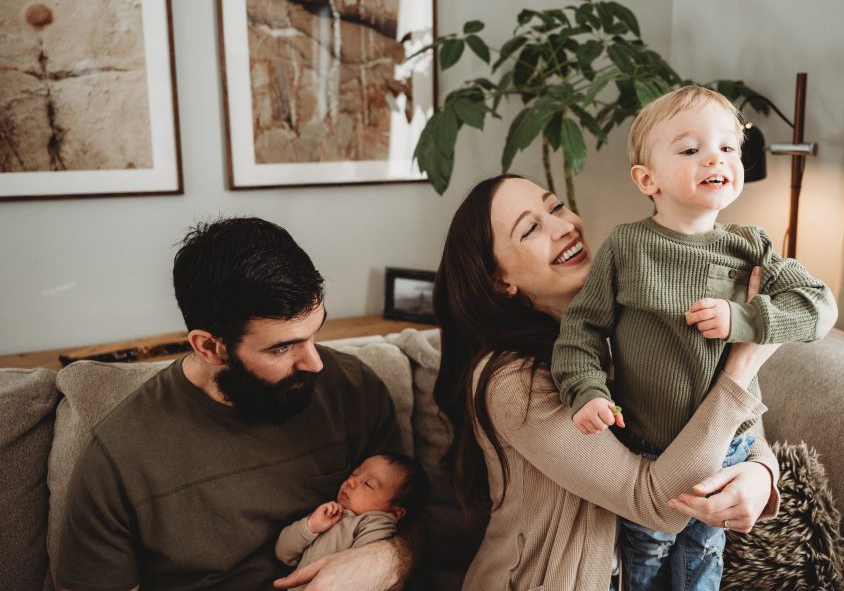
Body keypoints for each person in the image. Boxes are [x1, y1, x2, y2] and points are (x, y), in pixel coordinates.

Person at [433, 174, 783, 591]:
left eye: (556, 207)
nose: (563, 227)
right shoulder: (512, 382)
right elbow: (655, 505)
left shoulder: (629, 322)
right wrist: (743, 363)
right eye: (530, 228)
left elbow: (727, 420)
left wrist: (761, 472)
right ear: (500, 282)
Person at [551, 85, 839, 589]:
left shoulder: (751, 246)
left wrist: (745, 319)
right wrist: (587, 391)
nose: (716, 158)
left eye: (728, 147)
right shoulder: (627, 246)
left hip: (725, 451)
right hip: (645, 450)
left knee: (703, 563)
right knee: (642, 561)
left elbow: (820, 306)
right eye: (690, 149)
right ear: (647, 179)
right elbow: (581, 331)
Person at [56, 217, 417, 591]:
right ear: (210, 347)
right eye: (282, 347)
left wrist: (387, 559)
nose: (315, 363)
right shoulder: (120, 458)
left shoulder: (353, 389)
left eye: (315, 333)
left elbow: (417, 521)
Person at [276, 453, 429, 590]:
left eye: (368, 484)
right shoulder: (328, 514)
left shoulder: (375, 523)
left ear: (395, 512)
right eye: (354, 474)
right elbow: (283, 553)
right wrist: (310, 526)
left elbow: (361, 575)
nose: (351, 482)